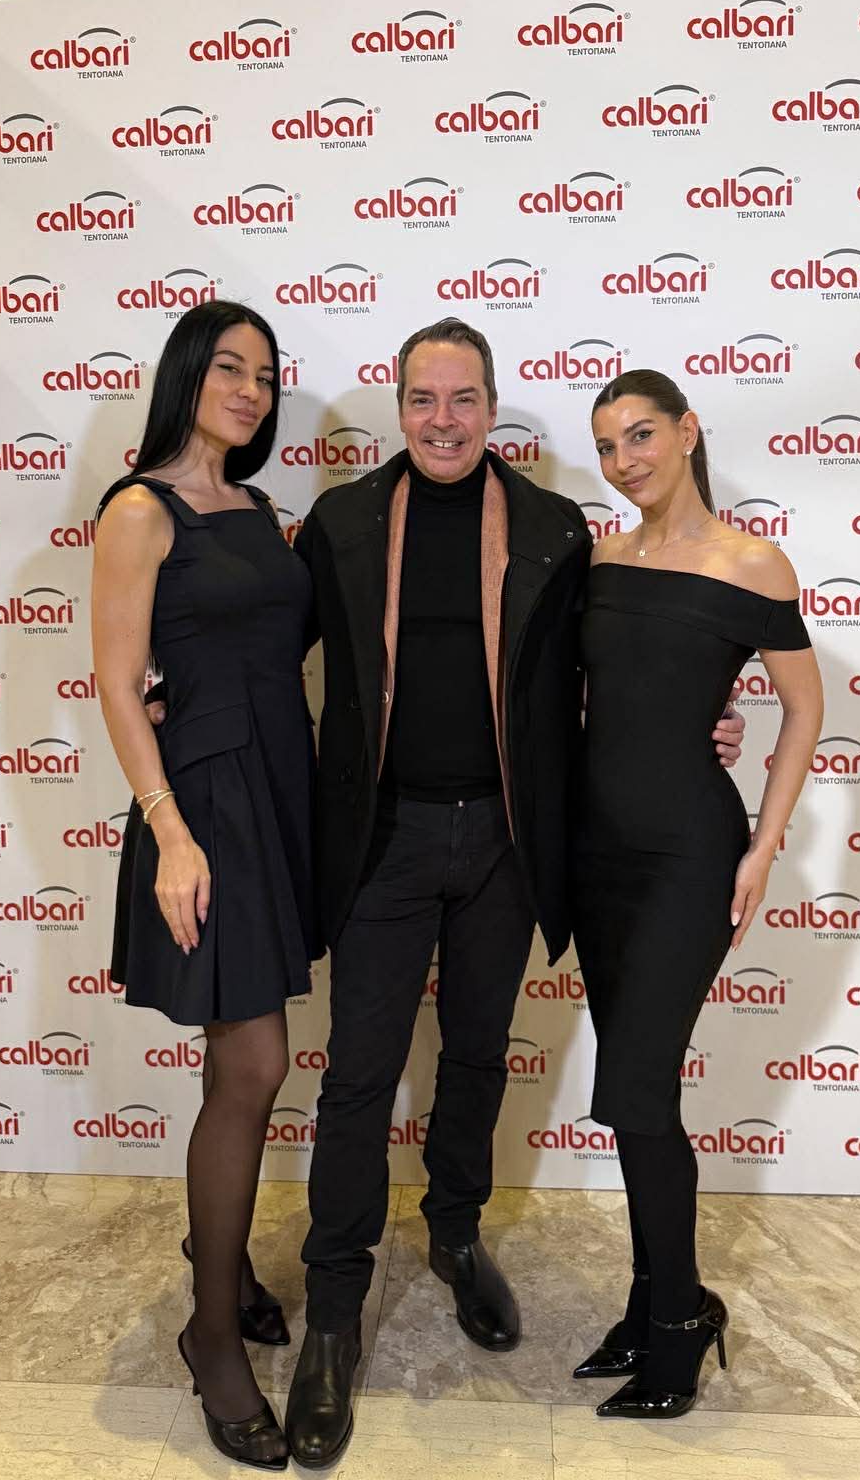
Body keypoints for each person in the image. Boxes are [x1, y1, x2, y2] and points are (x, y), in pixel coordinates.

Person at [281, 320, 746, 1468]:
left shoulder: (552, 530)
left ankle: (452, 1233)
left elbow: (610, 670)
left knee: (480, 1055)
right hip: (382, 842)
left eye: (464, 399)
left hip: (503, 840)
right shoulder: (342, 523)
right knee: (357, 1076)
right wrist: (164, 680)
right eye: (422, 399)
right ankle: (333, 1311)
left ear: (492, 409)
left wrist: (699, 718)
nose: (443, 420)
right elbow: (267, 647)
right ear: (399, 406)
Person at [570, 369, 823, 1419]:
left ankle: (679, 1321)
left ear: (686, 432)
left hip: (688, 856)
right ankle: (653, 1298)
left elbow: (804, 709)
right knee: (641, 1099)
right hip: (594, 856)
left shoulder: (753, 563)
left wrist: (764, 843)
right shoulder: (600, 559)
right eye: (607, 446)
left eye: (640, 436)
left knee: (633, 1089)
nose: (624, 460)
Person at [93, 300, 318, 1472]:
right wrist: (172, 834)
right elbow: (118, 684)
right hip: (208, 807)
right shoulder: (140, 509)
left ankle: (218, 1263)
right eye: (231, 367)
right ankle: (212, 1333)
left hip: (278, 789)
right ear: (187, 374)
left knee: (237, 1057)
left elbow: (278, 643)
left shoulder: (262, 511)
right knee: (255, 1061)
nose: (250, 390)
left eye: (266, 376)